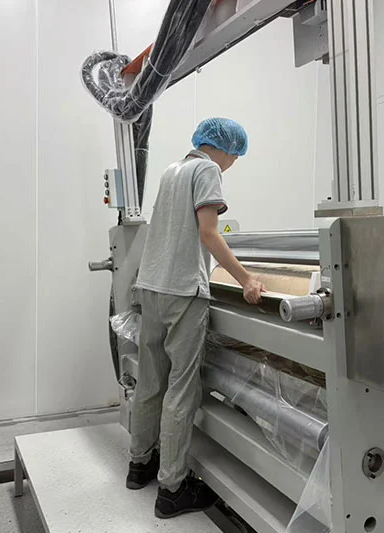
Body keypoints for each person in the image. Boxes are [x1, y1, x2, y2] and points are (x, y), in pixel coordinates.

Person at [126, 118, 265, 519]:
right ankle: (172, 488)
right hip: (183, 291)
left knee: (150, 381)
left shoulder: (172, 170)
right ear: (224, 148)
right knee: (181, 388)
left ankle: (139, 464)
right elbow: (208, 232)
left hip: (151, 286)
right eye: (236, 155)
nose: (233, 163)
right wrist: (246, 279)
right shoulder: (207, 170)